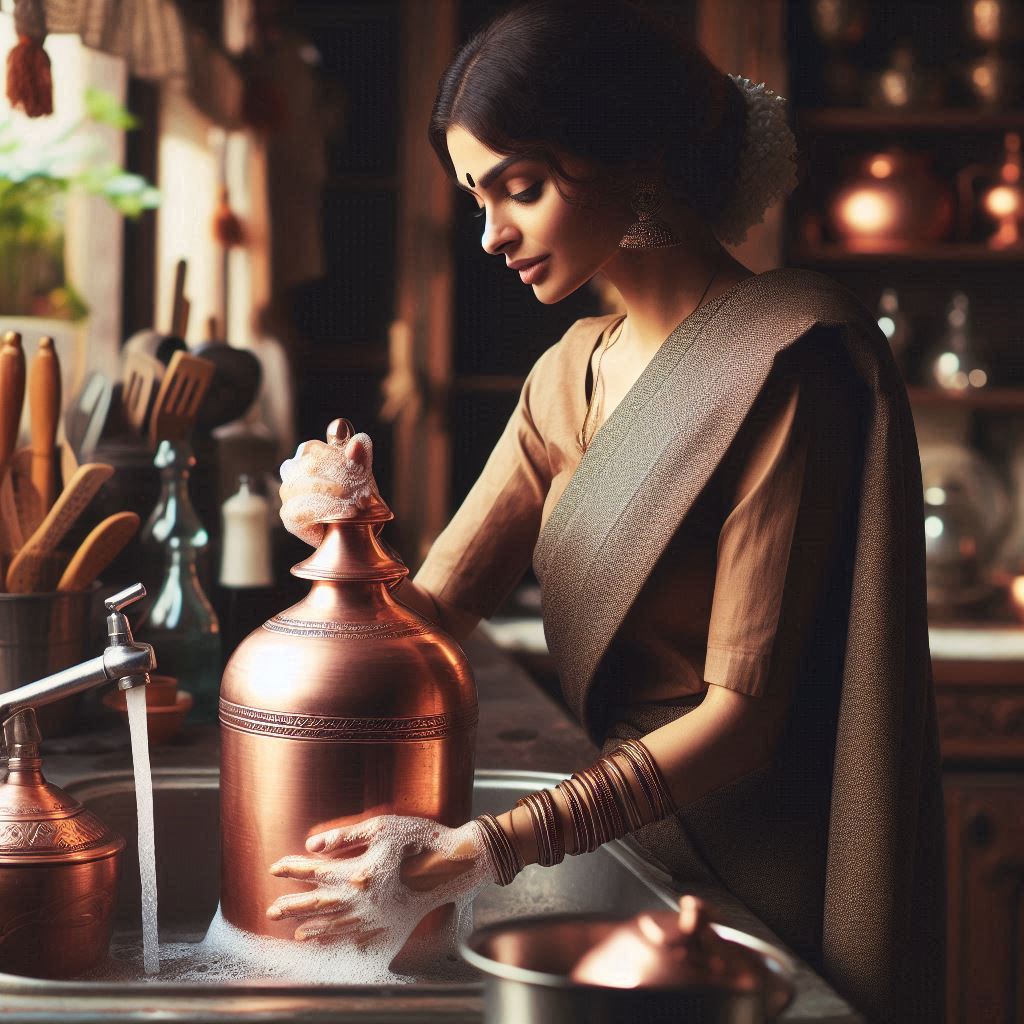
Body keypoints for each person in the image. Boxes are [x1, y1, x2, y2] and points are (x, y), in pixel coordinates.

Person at [268, 2, 944, 1020]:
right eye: (476, 198)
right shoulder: (568, 372)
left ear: (633, 158)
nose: (491, 234)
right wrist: (341, 528)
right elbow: (427, 621)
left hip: (752, 877)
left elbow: (740, 721)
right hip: (632, 850)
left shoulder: (790, 356)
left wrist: (481, 847)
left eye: (522, 190)